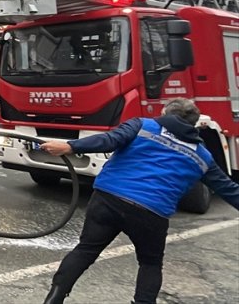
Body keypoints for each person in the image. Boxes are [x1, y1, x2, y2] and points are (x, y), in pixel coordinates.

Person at [39, 98, 239, 304]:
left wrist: (69, 147)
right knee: (150, 264)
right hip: (152, 212)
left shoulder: (142, 125)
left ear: (165, 112)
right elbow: (228, 188)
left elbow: (109, 140)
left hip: (109, 199)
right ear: (194, 124)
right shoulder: (203, 156)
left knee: (86, 250)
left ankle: (54, 298)